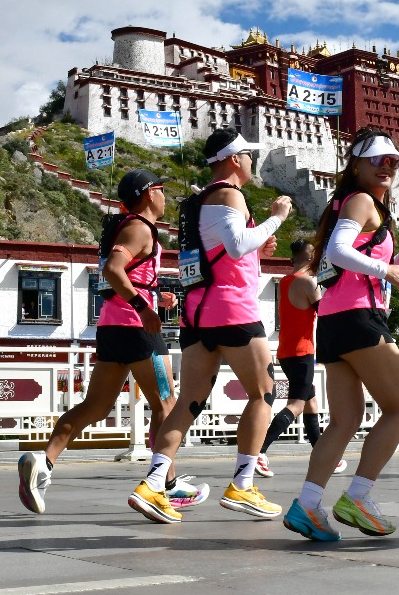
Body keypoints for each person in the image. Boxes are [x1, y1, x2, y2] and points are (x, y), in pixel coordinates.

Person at [127, 129, 293, 524]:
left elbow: (228, 248)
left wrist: (260, 242)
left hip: (197, 312)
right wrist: (276, 218)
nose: (251, 162)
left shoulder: (199, 201)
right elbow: (236, 245)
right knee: (263, 394)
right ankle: (243, 484)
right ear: (234, 159)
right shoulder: (229, 193)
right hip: (232, 310)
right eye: (248, 156)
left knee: (189, 402)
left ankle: (152, 483)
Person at [18, 169, 208, 514]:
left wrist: (156, 296)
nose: (166, 197)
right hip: (137, 329)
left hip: (112, 325)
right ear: (150, 194)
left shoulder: (132, 228)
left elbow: (128, 276)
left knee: (96, 407)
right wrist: (142, 307)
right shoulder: (139, 228)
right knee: (167, 405)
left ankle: (42, 463)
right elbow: (113, 270)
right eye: (162, 190)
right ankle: (162, 485)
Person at [283, 128, 399, 541]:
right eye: (378, 160)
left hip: (333, 321)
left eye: (393, 161)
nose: (386, 167)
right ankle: (358, 496)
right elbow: (340, 253)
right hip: (361, 318)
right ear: (356, 165)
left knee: (345, 420)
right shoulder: (361, 201)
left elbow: (381, 265)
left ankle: (307, 506)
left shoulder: (350, 204)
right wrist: (386, 269)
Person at [255, 238, 347, 477]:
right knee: (296, 404)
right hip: (302, 351)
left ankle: (323, 454)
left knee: (310, 402)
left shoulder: (285, 281)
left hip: (286, 351)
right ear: (310, 258)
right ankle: (260, 451)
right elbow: (326, 315)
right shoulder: (308, 282)